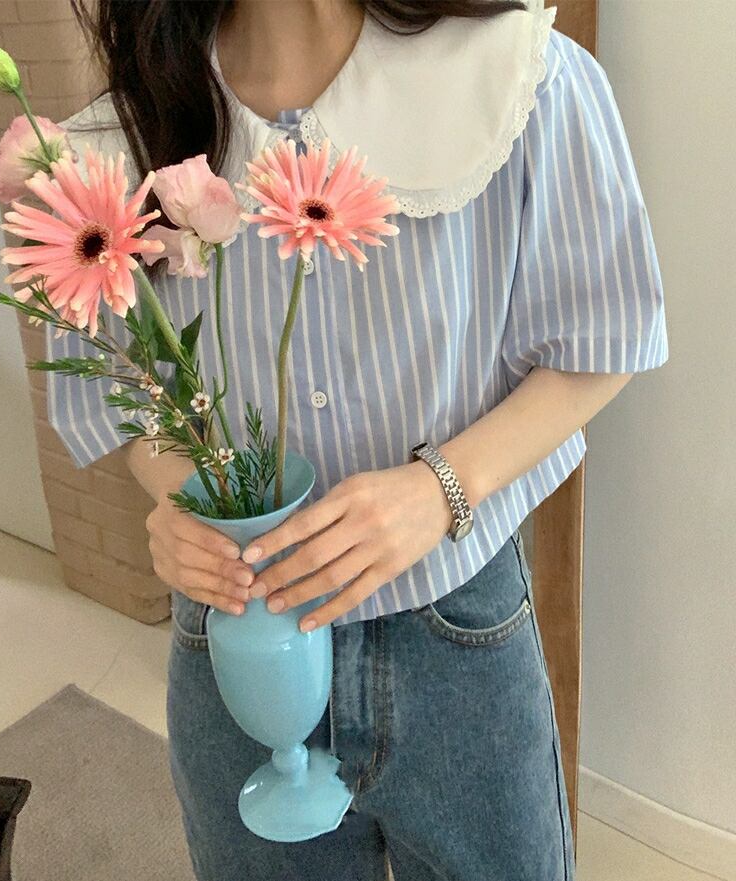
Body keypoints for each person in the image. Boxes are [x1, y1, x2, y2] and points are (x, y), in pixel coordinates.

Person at [53, 1, 670, 878]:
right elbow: (120, 382)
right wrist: (181, 496)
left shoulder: (520, 77)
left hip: (457, 637)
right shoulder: (121, 136)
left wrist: (439, 488)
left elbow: (604, 337)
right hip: (236, 641)